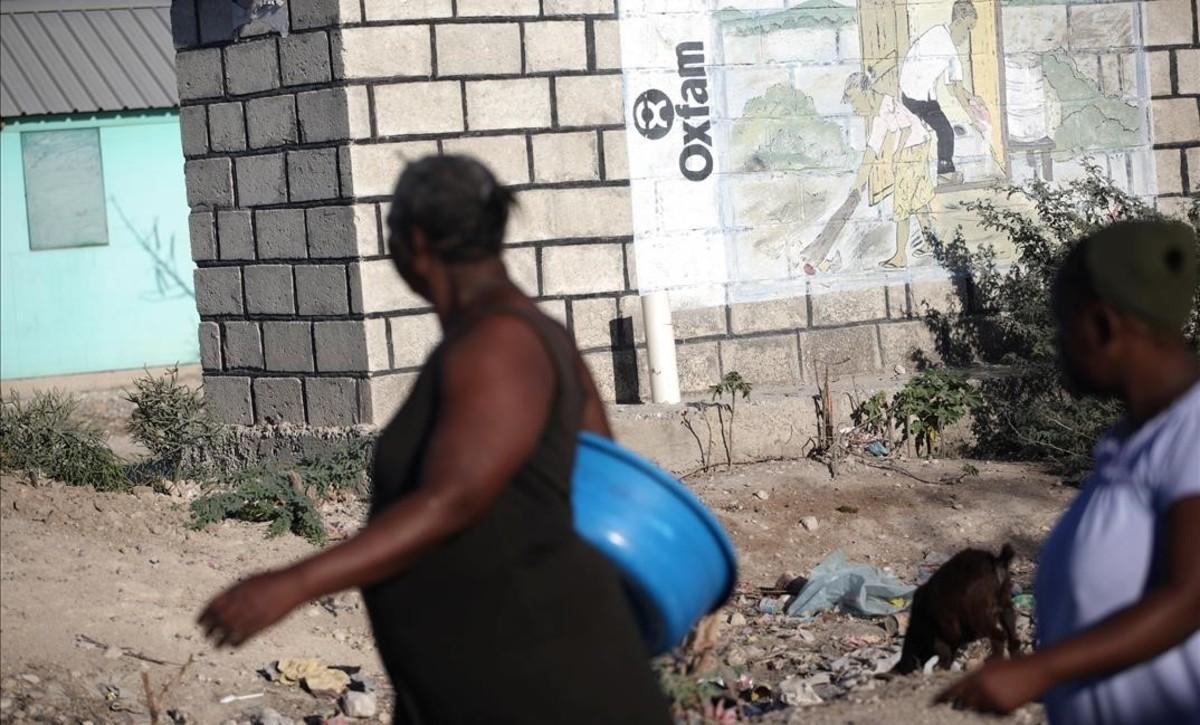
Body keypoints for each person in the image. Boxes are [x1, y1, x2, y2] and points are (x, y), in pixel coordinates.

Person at [198, 155, 672, 725]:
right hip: (493, 680)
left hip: (540, 683)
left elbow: (455, 497)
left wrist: (290, 584)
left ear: (415, 241)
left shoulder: (500, 343)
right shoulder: (521, 336)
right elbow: (600, 478)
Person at [937, 219, 1200, 724]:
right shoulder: (1132, 446)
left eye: (1065, 327)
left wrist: (1038, 671)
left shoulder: (1191, 433)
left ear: (1102, 326)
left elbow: (1190, 597)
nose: (1059, 348)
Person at [842, 72, 935, 270]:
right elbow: (871, 150)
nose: (855, 108)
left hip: (912, 149)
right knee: (918, 200)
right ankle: (931, 242)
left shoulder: (889, 105)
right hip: (920, 144)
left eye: (855, 101)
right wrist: (858, 185)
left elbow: (908, 128)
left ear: (866, 93)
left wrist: (898, 153)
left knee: (902, 204)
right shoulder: (880, 116)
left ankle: (900, 256)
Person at [898, 0, 989, 185]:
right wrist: (974, 117)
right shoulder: (947, 47)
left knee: (942, 130)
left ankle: (944, 173)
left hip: (914, 93)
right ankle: (945, 174)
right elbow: (955, 89)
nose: (967, 35)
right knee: (946, 132)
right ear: (957, 23)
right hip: (916, 97)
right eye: (967, 28)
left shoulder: (939, 32)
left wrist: (972, 97)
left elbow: (953, 86)